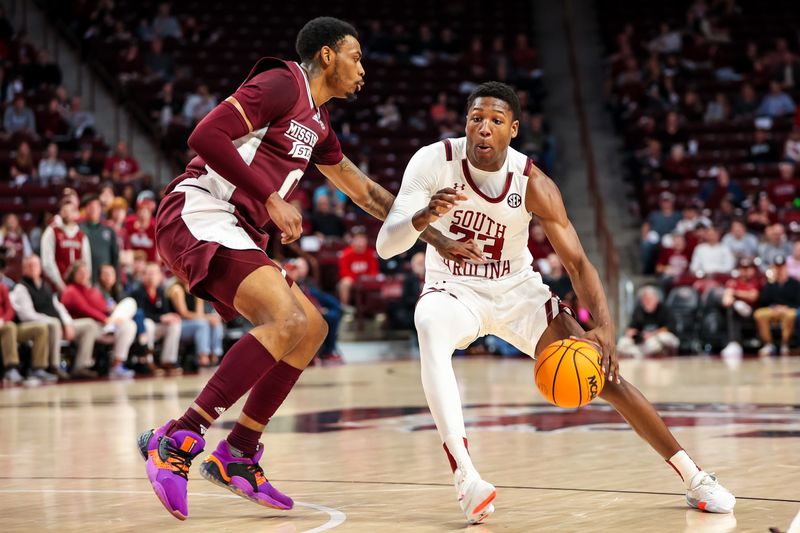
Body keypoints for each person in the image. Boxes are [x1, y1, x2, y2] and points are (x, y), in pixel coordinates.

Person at [136, 17, 480, 521]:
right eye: (355, 56)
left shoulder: (319, 124)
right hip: (199, 211)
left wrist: (436, 237)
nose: (363, 67)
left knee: (312, 328)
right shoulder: (281, 83)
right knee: (288, 321)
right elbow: (206, 134)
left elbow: (366, 193)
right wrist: (270, 196)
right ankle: (180, 438)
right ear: (325, 56)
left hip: (235, 226)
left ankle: (239, 452)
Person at [376, 82, 735, 524]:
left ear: (514, 130)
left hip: (517, 291)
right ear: (465, 123)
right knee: (429, 327)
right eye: (476, 119)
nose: (483, 129)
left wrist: (603, 328)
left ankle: (694, 477)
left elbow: (578, 263)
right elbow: (386, 245)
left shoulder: (533, 184)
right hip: (453, 287)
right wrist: (424, 216)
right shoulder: (432, 161)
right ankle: (467, 478)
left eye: (495, 121)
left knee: (605, 375)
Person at [10, 255, 99, 379]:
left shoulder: (45, 286)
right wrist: (54, 321)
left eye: (35, 265)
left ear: (40, 268)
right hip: (37, 325)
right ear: (23, 269)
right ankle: (54, 366)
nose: (33, 268)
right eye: (29, 265)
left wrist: (67, 322)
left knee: (90, 325)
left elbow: (58, 306)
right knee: (54, 324)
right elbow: (26, 315)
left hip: (58, 325)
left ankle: (80, 366)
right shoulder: (21, 288)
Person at [60, 261, 136, 378]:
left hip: (100, 325)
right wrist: (106, 319)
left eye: (86, 272)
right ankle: (81, 366)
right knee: (91, 324)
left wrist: (111, 311)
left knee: (129, 320)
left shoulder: (90, 290)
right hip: (81, 325)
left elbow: (101, 306)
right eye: (80, 272)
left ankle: (117, 364)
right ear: (73, 274)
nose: (84, 275)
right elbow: (84, 309)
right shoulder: (70, 290)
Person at [0, 257, 52, 384]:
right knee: (10, 327)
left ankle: (38, 368)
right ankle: (11, 368)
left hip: (5, 325)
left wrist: (3, 320)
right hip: (8, 328)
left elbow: (10, 309)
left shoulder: (2, 288)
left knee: (40, 328)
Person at [131, 263, 182, 374]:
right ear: (143, 276)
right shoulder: (138, 292)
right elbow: (140, 315)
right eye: (148, 274)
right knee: (147, 323)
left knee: (174, 324)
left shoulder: (160, 291)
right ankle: (148, 361)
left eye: (154, 274)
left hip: (157, 326)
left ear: (160, 276)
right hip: (142, 329)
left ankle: (168, 360)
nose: (151, 277)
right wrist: (162, 318)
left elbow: (165, 312)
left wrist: (171, 316)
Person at [167, 277, 223, 367]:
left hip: (194, 324)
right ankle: (202, 357)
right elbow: (184, 313)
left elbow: (199, 314)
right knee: (203, 325)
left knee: (216, 324)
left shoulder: (195, 288)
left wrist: (210, 319)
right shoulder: (177, 289)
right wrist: (208, 318)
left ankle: (214, 355)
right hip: (179, 324)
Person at [40, 197, 92, 292]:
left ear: (77, 214)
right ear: (60, 212)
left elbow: (87, 263)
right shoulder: (52, 231)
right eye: (64, 210)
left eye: (71, 210)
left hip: (77, 287)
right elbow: (47, 263)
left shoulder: (81, 236)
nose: (67, 213)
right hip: (55, 287)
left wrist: (86, 282)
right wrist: (60, 284)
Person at [754, 255, 800, 357]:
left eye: (782, 267)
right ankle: (768, 344)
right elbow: (763, 301)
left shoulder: (795, 283)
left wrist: (785, 307)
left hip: (788, 309)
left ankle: (785, 344)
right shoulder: (770, 283)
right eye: (777, 267)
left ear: (786, 268)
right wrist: (773, 306)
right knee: (759, 314)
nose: (779, 270)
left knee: (791, 315)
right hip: (772, 309)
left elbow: (798, 302)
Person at [617, 286, 679, 358]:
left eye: (649, 299)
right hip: (643, 341)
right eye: (644, 300)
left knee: (661, 339)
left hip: (660, 338)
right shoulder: (639, 311)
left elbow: (670, 327)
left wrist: (652, 334)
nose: (646, 302)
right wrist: (631, 332)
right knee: (623, 342)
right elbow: (631, 327)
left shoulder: (665, 309)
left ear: (656, 299)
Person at [80, 194, 119, 284]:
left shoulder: (109, 231)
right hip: (85, 277)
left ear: (100, 209)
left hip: (105, 280)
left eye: (96, 206)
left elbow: (115, 257)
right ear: (85, 209)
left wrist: (117, 280)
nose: (93, 209)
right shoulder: (79, 230)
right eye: (90, 206)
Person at [337, 226, 379, 306]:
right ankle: (345, 308)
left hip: (367, 279)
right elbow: (343, 272)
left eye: (363, 239)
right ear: (352, 241)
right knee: (344, 283)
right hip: (352, 279)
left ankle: (376, 310)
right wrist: (357, 279)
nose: (361, 242)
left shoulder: (370, 253)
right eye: (358, 239)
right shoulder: (346, 254)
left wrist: (366, 278)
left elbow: (374, 270)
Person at [0, 213, 32, 282]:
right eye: (10, 220)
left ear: (17, 222)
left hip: (19, 269)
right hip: (5, 268)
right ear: (6, 222)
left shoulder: (22, 236)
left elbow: (28, 254)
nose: (12, 222)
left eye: (14, 220)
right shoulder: (2, 234)